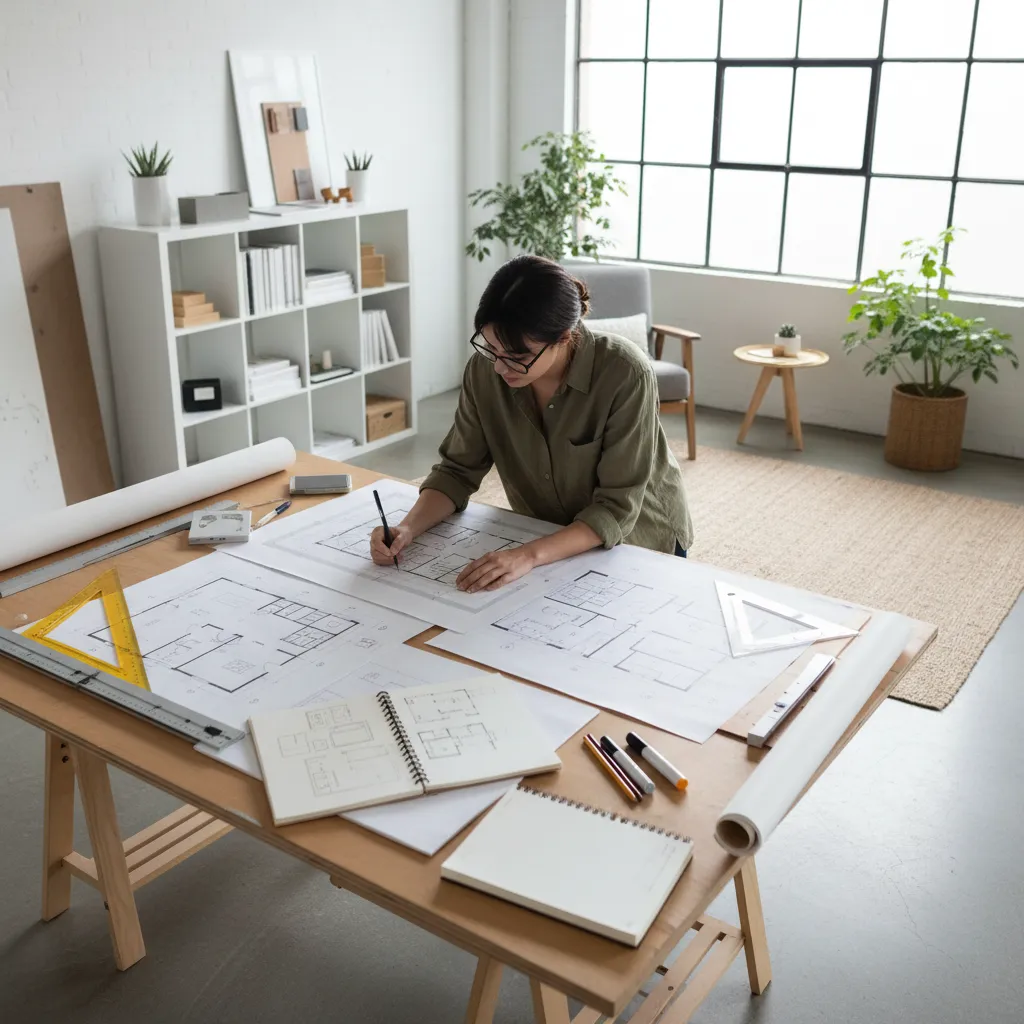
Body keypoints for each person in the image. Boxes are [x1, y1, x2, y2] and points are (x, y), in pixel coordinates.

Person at [370, 254, 693, 592]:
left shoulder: (625, 372)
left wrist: (527, 556)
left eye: (518, 357)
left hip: (638, 539)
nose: (499, 367)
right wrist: (407, 528)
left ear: (565, 338)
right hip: (546, 537)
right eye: (491, 347)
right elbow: (456, 471)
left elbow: (616, 509)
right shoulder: (485, 371)